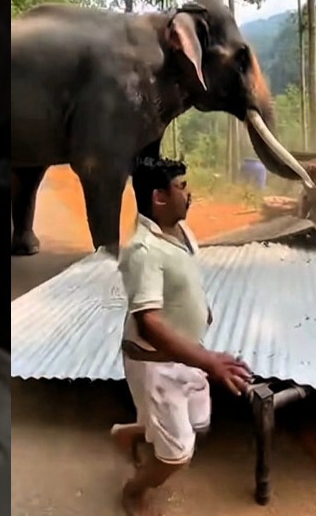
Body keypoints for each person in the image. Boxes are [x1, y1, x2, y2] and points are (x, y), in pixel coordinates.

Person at [109, 155, 252, 516]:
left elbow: (182, 279)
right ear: (159, 198)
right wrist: (209, 360)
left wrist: (199, 312)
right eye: (182, 187)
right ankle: (133, 491)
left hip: (186, 354)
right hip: (158, 366)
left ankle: (130, 434)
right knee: (176, 457)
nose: (189, 194)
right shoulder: (143, 251)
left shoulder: (178, 231)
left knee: (197, 424)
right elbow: (149, 324)